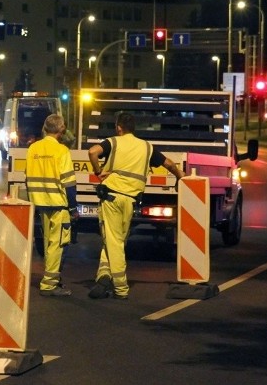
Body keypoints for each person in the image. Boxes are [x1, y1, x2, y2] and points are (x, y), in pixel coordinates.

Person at [87, 112, 184, 300]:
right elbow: (169, 164)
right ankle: (103, 275)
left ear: (119, 127)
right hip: (130, 201)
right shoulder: (146, 147)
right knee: (117, 240)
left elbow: (92, 152)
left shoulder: (113, 142)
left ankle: (121, 287)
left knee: (113, 241)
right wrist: (182, 177)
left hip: (111, 198)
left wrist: (98, 171)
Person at [25, 114, 78, 297]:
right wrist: (73, 208)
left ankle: (51, 276)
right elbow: (69, 184)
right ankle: (49, 284)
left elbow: (27, 177)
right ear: (61, 130)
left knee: (48, 244)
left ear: (44, 128)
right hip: (58, 204)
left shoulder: (33, 148)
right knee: (58, 244)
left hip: (40, 203)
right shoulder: (62, 151)